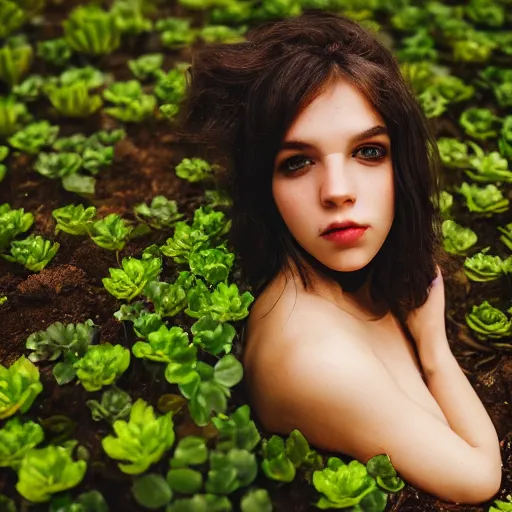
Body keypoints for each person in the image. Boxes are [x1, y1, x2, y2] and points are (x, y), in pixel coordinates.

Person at [174, 10, 502, 505]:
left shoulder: (343, 280)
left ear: (402, 164)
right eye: (297, 162)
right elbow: (479, 478)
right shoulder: (316, 359)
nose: (338, 192)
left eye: (368, 152)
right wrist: (435, 353)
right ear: (265, 187)